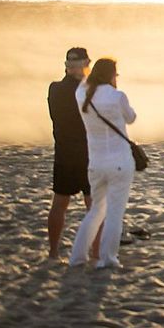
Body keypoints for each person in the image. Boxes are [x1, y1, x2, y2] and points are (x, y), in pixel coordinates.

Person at [68, 58, 137, 269]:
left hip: (96, 162)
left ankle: (78, 256)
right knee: (115, 212)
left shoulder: (82, 95)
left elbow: (85, 82)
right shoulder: (117, 96)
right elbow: (131, 118)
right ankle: (108, 258)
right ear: (111, 75)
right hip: (119, 161)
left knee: (96, 209)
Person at [47, 47, 99, 260]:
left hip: (64, 152)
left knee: (60, 204)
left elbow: (55, 117)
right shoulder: (91, 89)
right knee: (93, 206)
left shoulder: (55, 88)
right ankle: (96, 253)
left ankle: (53, 252)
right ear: (85, 65)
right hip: (88, 153)